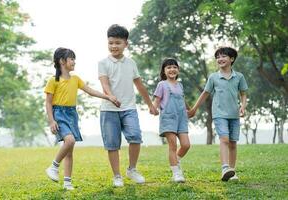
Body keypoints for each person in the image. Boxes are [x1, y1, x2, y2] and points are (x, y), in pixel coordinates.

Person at [45, 47, 120, 190]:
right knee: (70, 140)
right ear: (62, 61)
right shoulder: (53, 81)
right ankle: (53, 167)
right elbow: (48, 102)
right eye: (71, 58)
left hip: (72, 114)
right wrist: (52, 120)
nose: (74, 61)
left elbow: (90, 91)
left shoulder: (76, 79)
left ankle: (67, 182)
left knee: (69, 149)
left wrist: (108, 96)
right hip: (59, 113)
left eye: (74, 59)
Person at [98, 24, 158, 187]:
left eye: (117, 43)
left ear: (126, 44)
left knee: (135, 137)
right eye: (110, 43)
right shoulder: (103, 63)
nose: (113, 46)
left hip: (129, 108)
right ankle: (117, 176)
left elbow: (140, 86)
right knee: (112, 144)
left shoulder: (131, 63)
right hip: (109, 110)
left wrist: (150, 105)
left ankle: (132, 169)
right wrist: (110, 96)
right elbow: (104, 84)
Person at [189, 47, 248, 181]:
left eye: (223, 56)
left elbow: (243, 94)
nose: (220, 59)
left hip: (234, 114)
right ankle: (225, 168)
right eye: (218, 57)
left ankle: (232, 172)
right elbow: (205, 93)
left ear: (231, 59)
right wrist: (194, 109)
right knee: (224, 139)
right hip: (219, 114)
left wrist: (243, 107)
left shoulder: (239, 76)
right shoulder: (214, 77)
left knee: (233, 143)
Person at [153, 58, 191, 183]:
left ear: (178, 70)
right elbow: (157, 100)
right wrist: (153, 108)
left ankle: (176, 159)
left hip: (181, 118)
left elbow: (182, 99)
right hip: (168, 117)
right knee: (173, 145)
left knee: (186, 145)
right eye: (168, 67)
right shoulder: (162, 84)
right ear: (164, 71)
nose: (172, 69)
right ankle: (176, 173)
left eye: (174, 67)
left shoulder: (180, 85)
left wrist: (189, 110)